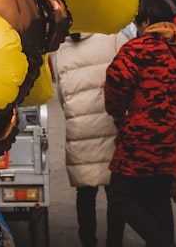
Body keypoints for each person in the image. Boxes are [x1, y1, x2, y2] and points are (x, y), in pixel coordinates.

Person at [104, 0, 176, 247]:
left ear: (145, 21)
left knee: (119, 195)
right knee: (158, 198)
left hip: (142, 138)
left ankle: (162, 242)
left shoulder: (136, 49)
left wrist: (117, 112)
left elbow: (115, 85)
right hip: (175, 139)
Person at [56, 31, 129, 247]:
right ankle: (114, 241)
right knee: (115, 192)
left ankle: (88, 241)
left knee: (85, 191)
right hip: (111, 124)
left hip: (79, 126)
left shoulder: (62, 48)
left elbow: (62, 94)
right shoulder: (113, 37)